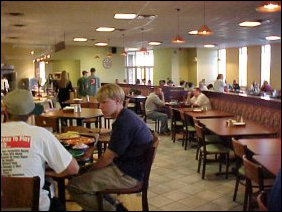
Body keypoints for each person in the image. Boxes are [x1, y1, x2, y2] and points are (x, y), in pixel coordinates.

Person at [67, 84, 153, 211]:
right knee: (80, 172)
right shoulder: (127, 115)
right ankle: (112, 204)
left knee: (74, 185)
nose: (100, 107)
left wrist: (91, 171)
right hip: (130, 168)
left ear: (118, 101)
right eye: (99, 103)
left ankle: (113, 209)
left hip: (128, 175)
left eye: (104, 102)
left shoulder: (123, 123)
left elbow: (107, 159)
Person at [1, 89, 79, 211]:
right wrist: (49, 173)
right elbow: (73, 168)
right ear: (31, 114)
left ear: (5, 112)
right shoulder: (41, 134)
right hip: (35, 206)